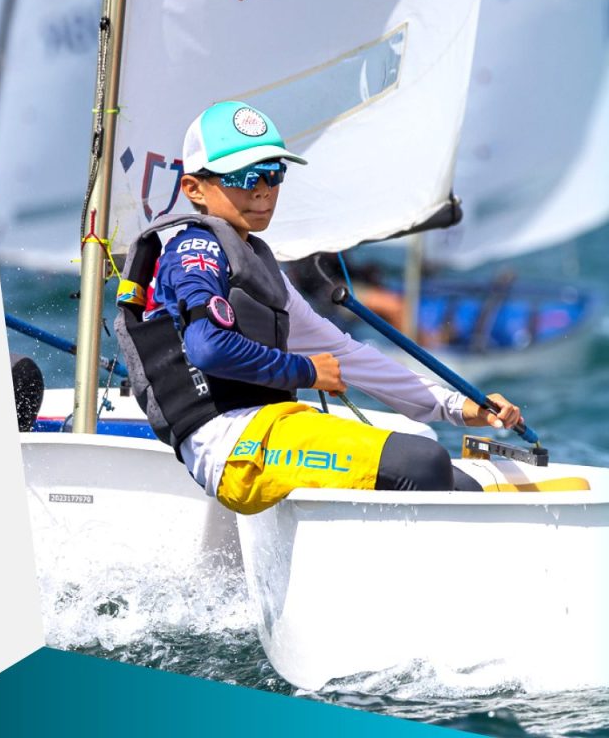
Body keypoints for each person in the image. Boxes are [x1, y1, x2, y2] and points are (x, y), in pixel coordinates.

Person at [118, 101, 522, 514]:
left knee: (460, 484)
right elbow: (208, 347)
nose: (263, 190)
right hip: (229, 445)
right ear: (194, 188)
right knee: (424, 463)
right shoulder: (194, 249)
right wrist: (306, 371)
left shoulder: (257, 265)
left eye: (274, 174)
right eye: (243, 177)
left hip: (270, 428)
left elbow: (346, 355)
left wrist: (458, 406)